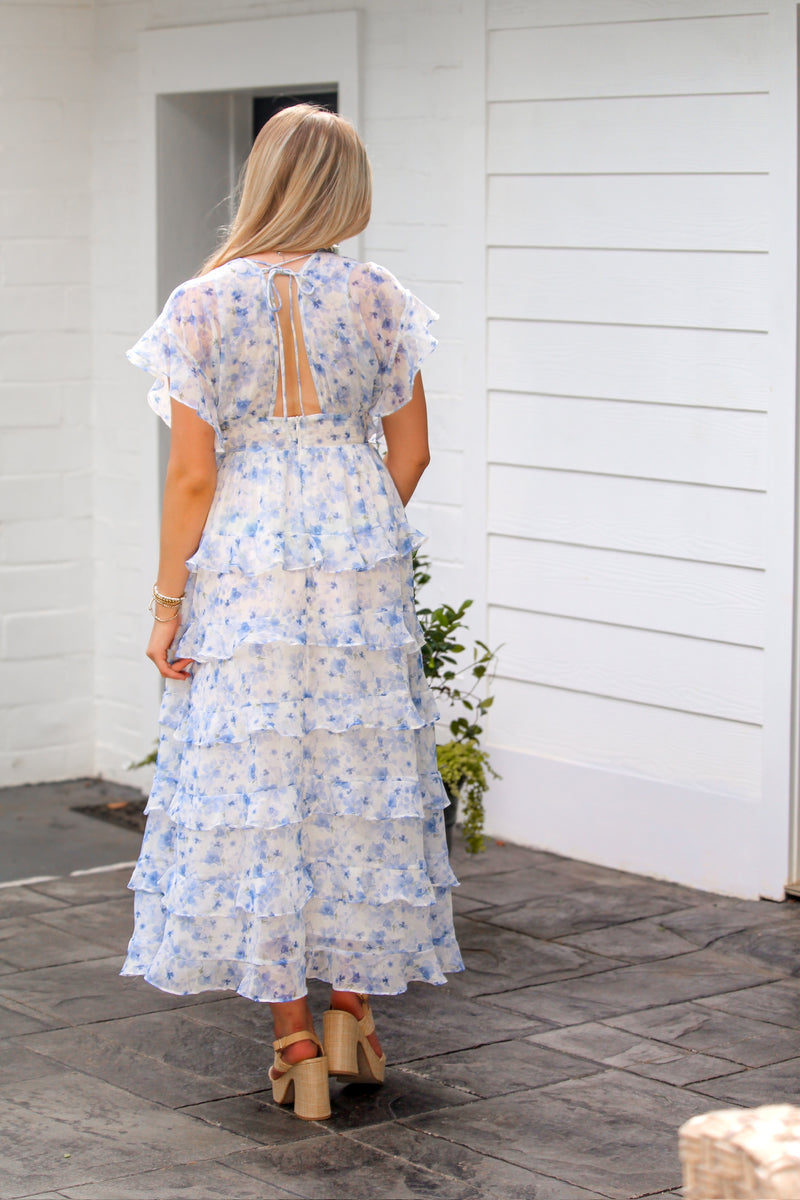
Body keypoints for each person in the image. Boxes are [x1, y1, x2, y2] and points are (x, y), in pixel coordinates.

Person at [121, 103, 464, 1122]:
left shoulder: (198, 303)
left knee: (261, 777)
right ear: (345, 190)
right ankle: (355, 1014)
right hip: (357, 541)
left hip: (246, 559)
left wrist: (167, 603)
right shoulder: (379, 297)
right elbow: (411, 453)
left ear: (263, 180)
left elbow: (191, 479)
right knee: (360, 771)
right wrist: (352, 530)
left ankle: (297, 1045)